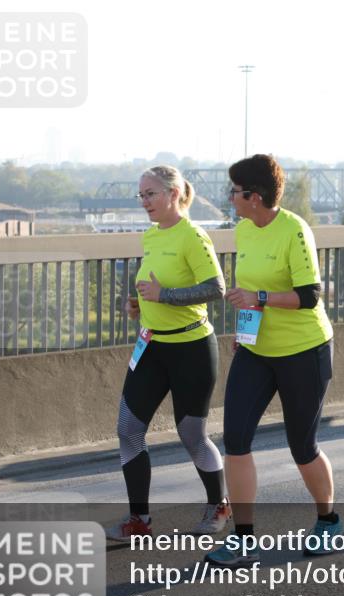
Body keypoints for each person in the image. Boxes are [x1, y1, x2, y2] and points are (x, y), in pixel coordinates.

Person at [205, 154, 339, 566]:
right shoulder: (244, 230)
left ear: (255, 196)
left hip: (304, 350)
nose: (230, 197)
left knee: (302, 446)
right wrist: (245, 332)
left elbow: (310, 296)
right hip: (257, 351)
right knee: (235, 441)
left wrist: (260, 298)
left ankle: (328, 520)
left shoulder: (294, 230)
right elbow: (247, 291)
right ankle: (244, 539)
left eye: (234, 191)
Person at [107, 166, 229, 541]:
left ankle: (219, 505)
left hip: (191, 349)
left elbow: (216, 288)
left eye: (151, 194)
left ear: (173, 194)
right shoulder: (151, 236)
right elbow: (155, 288)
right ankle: (139, 521)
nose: (144, 202)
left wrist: (165, 296)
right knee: (128, 430)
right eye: (141, 195)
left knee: (192, 436)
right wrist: (140, 305)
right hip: (152, 346)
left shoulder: (193, 235)